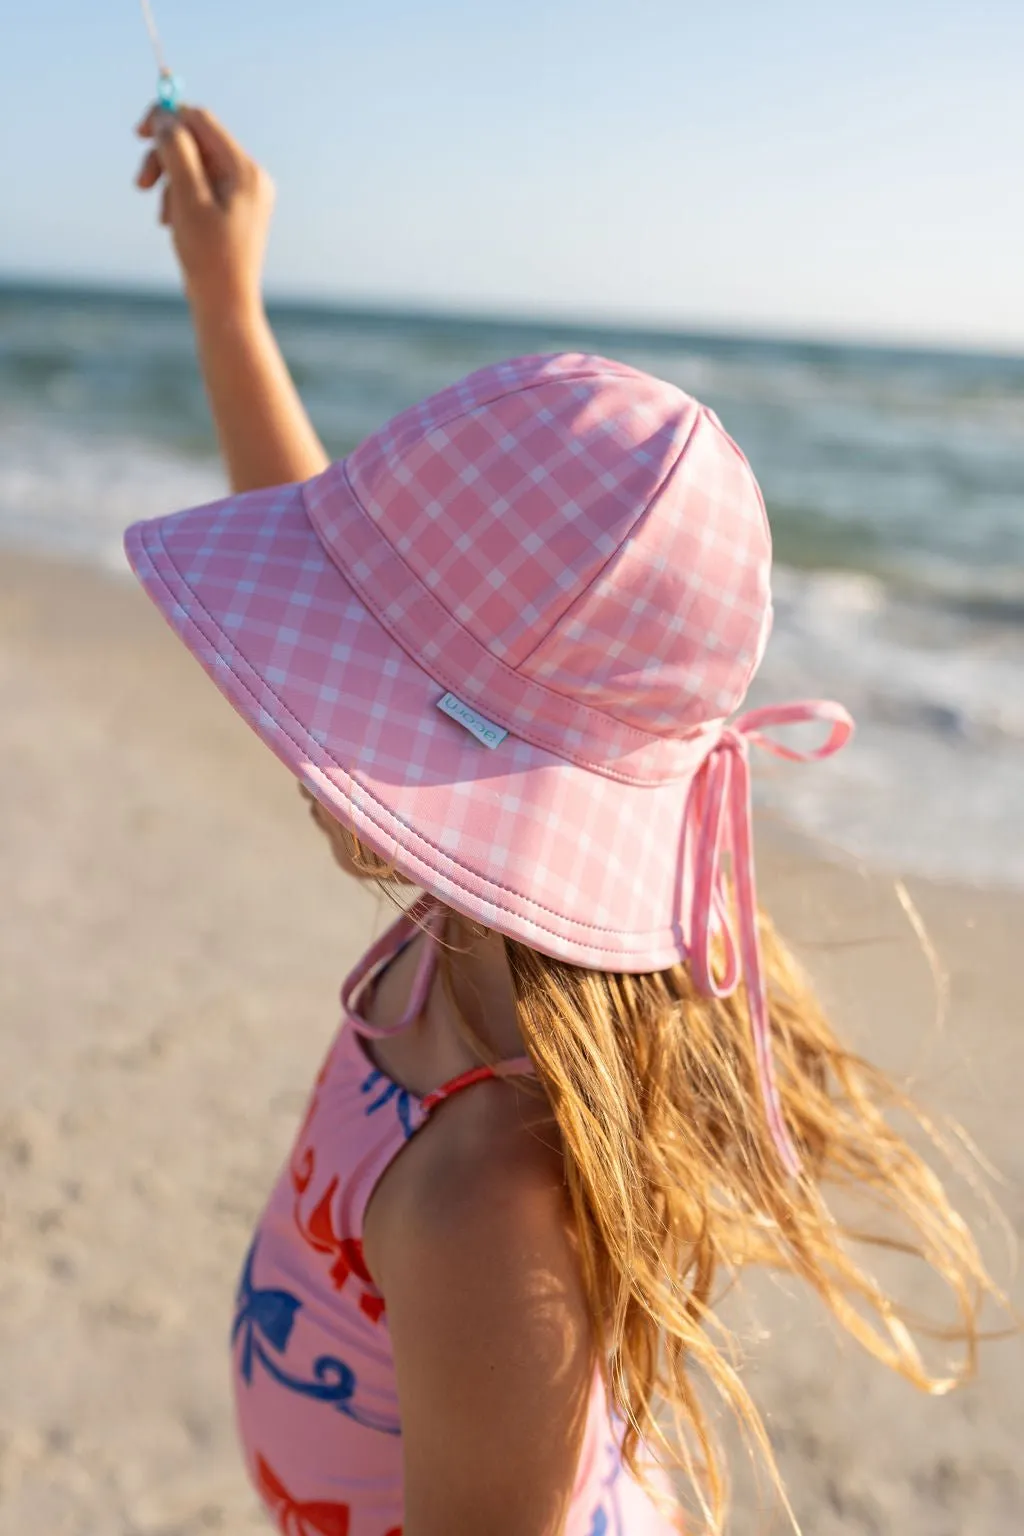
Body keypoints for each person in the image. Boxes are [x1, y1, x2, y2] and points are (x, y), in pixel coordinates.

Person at [129, 104, 999, 1536]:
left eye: (347, 669)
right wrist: (227, 296)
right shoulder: (479, 938)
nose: (307, 697)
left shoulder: (491, 1195)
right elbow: (308, 515)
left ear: (475, 765)